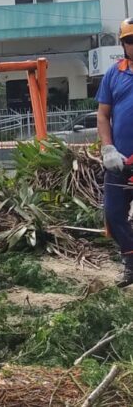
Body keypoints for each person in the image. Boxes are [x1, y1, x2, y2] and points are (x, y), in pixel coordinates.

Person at [97, 17, 133, 288]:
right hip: (120, 161)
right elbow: (102, 115)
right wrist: (108, 148)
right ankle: (131, 263)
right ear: (123, 44)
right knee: (113, 214)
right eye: (130, 40)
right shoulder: (113, 73)